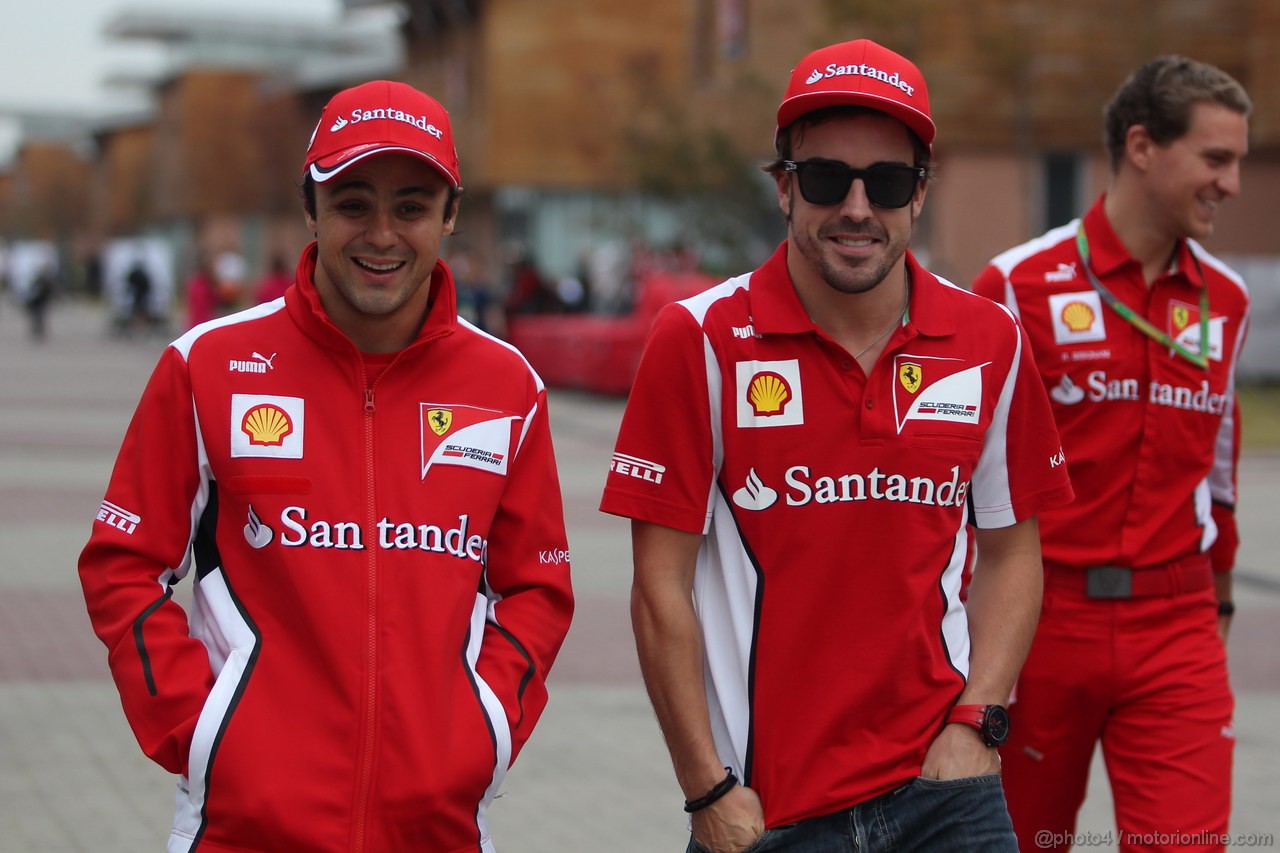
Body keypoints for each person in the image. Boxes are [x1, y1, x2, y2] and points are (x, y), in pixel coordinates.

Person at [600, 39, 1074, 853]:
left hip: (946, 794)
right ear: (785, 187)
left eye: (887, 182)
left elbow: (1012, 552)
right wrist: (705, 786)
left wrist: (979, 721)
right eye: (826, 178)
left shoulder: (990, 338)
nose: (857, 207)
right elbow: (658, 592)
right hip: (763, 811)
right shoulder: (701, 339)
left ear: (920, 195)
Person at [78, 79, 574, 852]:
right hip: (243, 828)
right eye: (352, 204)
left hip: (438, 829)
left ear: (449, 217)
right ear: (310, 211)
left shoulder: (509, 385)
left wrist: (485, 727)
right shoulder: (207, 365)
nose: (382, 233)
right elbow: (122, 565)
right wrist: (202, 729)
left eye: (411, 206)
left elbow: (537, 584)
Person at [971, 55, 1249, 853]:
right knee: (1022, 842)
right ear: (1142, 147)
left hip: (1179, 624)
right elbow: (960, 483)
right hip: (1040, 622)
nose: (1230, 183)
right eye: (1216, 159)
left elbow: (1221, 476)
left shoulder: (1226, 299)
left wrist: (1220, 603)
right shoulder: (1018, 285)